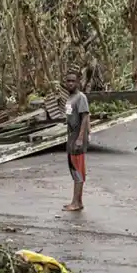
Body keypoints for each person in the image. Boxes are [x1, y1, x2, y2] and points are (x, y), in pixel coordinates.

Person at [63, 72, 90, 212]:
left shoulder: (81, 97)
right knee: (74, 169)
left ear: (78, 82)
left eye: (73, 81)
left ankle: (76, 203)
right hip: (71, 137)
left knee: (78, 170)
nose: (70, 83)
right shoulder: (70, 98)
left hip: (77, 139)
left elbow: (85, 117)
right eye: (68, 81)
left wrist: (81, 138)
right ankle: (77, 201)